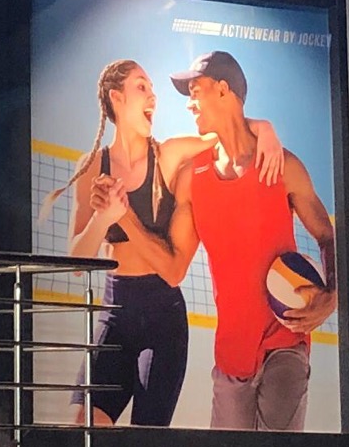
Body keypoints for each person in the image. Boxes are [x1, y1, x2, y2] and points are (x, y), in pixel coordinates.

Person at [64, 60, 283, 425]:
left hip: (163, 317)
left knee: (147, 439)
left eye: (153, 89)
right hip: (115, 311)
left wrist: (268, 129)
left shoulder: (169, 155)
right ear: (116, 98)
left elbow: (227, 132)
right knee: (81, 426)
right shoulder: (92, 167)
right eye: (142, 87)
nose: (153, 96)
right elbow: (75, 264)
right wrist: (105, 216)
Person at [162, 49, 342, 432]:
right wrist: (122, 219)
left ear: (223, 90)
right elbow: (175, 267)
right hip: (232, 354)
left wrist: (334, 295)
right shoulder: (192, 177)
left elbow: (328, 235)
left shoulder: (283, 166)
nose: (190, 103)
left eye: (196, 91)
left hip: (286, 340)